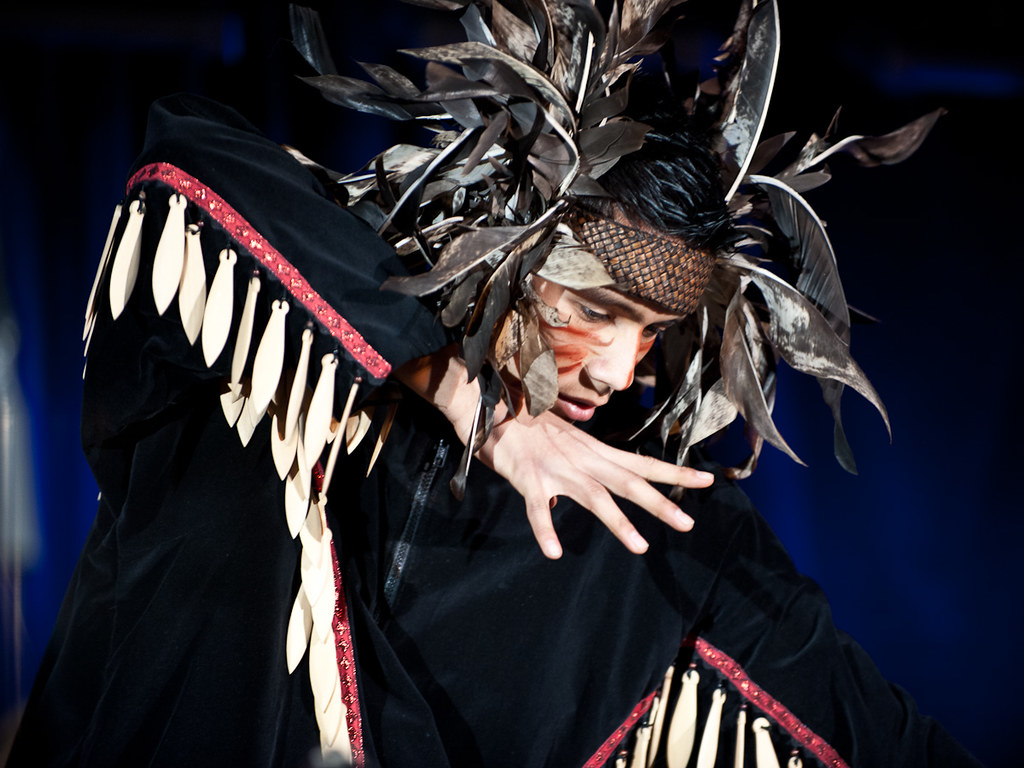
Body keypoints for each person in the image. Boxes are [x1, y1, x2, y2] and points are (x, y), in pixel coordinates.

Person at [6, 1, 981, 767]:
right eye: (592, 309)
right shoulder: (275, 350)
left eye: (652, 335)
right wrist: (476, 403)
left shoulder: (641, 525)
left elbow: (871, 730)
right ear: (509, 249)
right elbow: (188, 162)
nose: (616, 368)